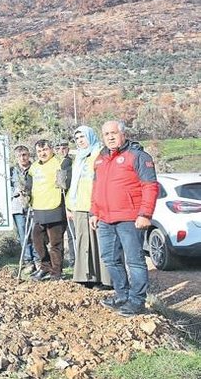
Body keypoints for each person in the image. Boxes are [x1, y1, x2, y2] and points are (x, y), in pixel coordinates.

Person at [91, 121, 158, 317]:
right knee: (110, 259)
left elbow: (150, 186)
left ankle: (137, 301)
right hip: (105, 219)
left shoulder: (138, 156)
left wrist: (145, 214)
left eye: (113, 133)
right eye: (106, 134)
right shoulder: (101, 159)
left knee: (135, 261)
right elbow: (96, 188)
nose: (110, 137)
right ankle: (122, 295)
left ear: (123, 134)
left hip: (130, 219)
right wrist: (94, 212)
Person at [68, 126, 111, 287]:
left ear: (91, 137)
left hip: (97, 206)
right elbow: (74, 184)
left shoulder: (100, 154)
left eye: (83, 137)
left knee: (100, 243)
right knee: (83, 242)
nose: (80, 141)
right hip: (79, 206)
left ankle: (106, 279)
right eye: (77, 138)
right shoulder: (78, 158)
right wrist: (69, 205)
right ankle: (86, 277)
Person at [26, 139, 71, 281]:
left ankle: (56, 272)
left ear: (51, 149)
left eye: (45, 150)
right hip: (38, 209)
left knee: (55, 243)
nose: (42, 153)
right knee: (37, 240)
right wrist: (25, 194)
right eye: (39, 151)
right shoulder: (33, 167)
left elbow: (66, 183)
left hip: (55, 208)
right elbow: (29, 185)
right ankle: (45, 267)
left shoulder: (59, 163)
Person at [9, 145, 38, 272]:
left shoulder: (36, 168)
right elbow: (6, 188)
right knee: (23, 235)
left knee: (36, 234)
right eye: (20, 155)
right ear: (16, 157)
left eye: (25, 154)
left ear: (29, 155)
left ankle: (38, 260)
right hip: (18, 207)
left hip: (34, 205)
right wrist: (16, 191)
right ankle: (28, 261)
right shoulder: (12, 171)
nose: (23, 158)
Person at [55, 140, 76, 267]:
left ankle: (74, 260)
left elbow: (65, 185)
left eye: (64, 148)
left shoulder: (71, 163)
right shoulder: (54, 164)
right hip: (56, 204)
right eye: (59, 148)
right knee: (58, 236)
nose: (61, 150)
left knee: (72, 233)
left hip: (68, 202)